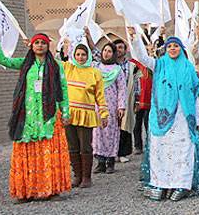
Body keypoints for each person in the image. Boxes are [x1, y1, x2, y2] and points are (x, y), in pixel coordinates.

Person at [0, 28, 71, 202]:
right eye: (37, 43)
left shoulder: (56, 65)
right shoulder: (24, 64)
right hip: (26, 118)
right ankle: (26, 191)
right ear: (32, 46)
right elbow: (2, 60)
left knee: (48, 151)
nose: (40, 46)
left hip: (48, 117)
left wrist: (66, 112)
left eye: (43, 43)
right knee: (26, 151)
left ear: (48, 46)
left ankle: (51, 190)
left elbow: (63, 89)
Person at [129, 29, 199, 201]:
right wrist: (135, 38)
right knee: (161, 150)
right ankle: (162, 183)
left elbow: (193, 93)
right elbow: (142, 58)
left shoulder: (188, 68)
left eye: (176, 46)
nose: (173, 49)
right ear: (165, 49)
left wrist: (197, 118)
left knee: (183, 150)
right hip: (162, 117)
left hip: (183, 117)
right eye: (170, 46)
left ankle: (182, 184)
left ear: (181, 49)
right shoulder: (159, 65)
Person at [63, 43, 108, 188]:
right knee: (72, 146)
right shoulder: (68, 68)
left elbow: (100, 95)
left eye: (83, 54)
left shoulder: (95, 73)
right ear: (74, 56)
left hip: (86, 114)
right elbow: (51, 61)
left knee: (85, 146)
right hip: (69, 114)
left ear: (87, 56)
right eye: (78, 54)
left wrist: (104, 113)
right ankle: (77, 175)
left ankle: (86, 177)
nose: (80, 57)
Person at [92, 43, 127, 174]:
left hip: (112, 106)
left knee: (111, 132)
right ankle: (100, 162)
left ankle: (110, 161)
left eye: (109, 51)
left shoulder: (117, 70)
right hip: (97, 105)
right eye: (105, 50)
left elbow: (122, 89)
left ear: (113, 54)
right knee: (98, 132)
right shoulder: (96, 67)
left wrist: (121, 107)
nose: (106, 53)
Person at [131, 58, 152, 155]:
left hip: (150, 98)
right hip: (138, 99)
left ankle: (150, 144)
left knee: (148, 123)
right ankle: (138, 146)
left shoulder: (151, 63)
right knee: (137, 123)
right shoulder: (134, 65)